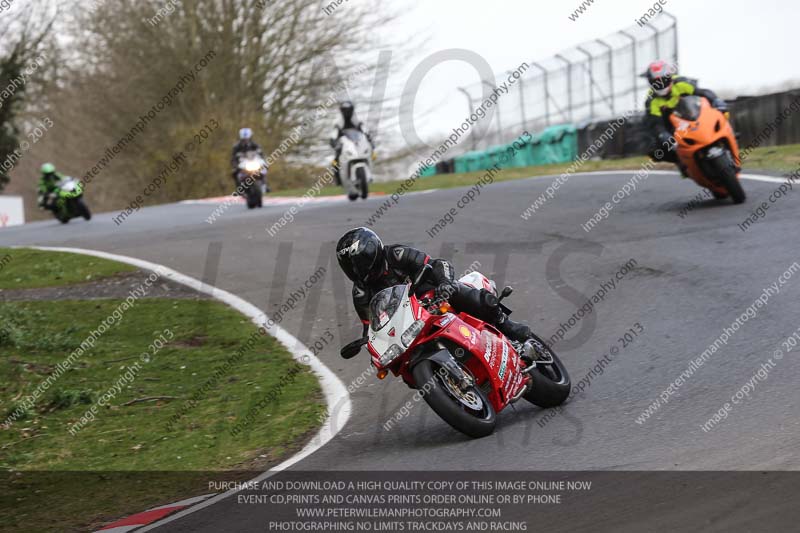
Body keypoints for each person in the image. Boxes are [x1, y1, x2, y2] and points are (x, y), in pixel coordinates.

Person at [336, 228, 532, 359]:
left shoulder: (396, 254)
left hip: (434, 296)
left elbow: (436, 263)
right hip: (409, 323)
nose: (357, 269)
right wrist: (367, 343)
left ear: (373, 252)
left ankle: (505, 323)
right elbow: (371, 327)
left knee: (455, 290)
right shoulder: (360, 293)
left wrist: (444, 284)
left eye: (359, 263)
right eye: (350, 266)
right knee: (402, 362)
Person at [643, 60, 729, 172]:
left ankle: (726, 139)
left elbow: (703, 92)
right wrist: (663, 135)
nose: (660, 84)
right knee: (654, 152)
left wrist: (715, 100)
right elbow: (655, 123)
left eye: (663, 80)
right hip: (671, 127)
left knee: (722, 113)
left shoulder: (681, 83)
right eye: (656, 82)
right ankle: (682, 162)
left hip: (693, 115)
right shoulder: (651, 100)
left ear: (669, 77)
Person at [330, 101, 374, 185]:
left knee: (370, 153)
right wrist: (334, 142)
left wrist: (370, 140)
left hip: (357, 142)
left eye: (349, 110)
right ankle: (339, 180)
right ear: (342, 110)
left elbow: (365, 131)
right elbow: (334, 134)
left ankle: (369, 174)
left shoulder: (357, 119)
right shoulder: (338, 121)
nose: (347, 112)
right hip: (343, 144)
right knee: (335, 161)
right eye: (345, 110)